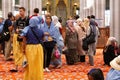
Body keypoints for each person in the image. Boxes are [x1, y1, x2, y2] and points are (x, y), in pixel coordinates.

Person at [11, 7, 29, 72]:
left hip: (25, 39)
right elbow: (16, 28)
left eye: (21, 11)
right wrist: (17, 30)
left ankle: (26, 67)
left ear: (24, 11)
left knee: (25, 52)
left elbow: (29, 28)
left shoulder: (27, 19)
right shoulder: (18, 20)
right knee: (18, 52)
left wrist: (24, 33)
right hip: (19, 37)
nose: (20, 12)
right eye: (19, 11)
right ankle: (16, 67)